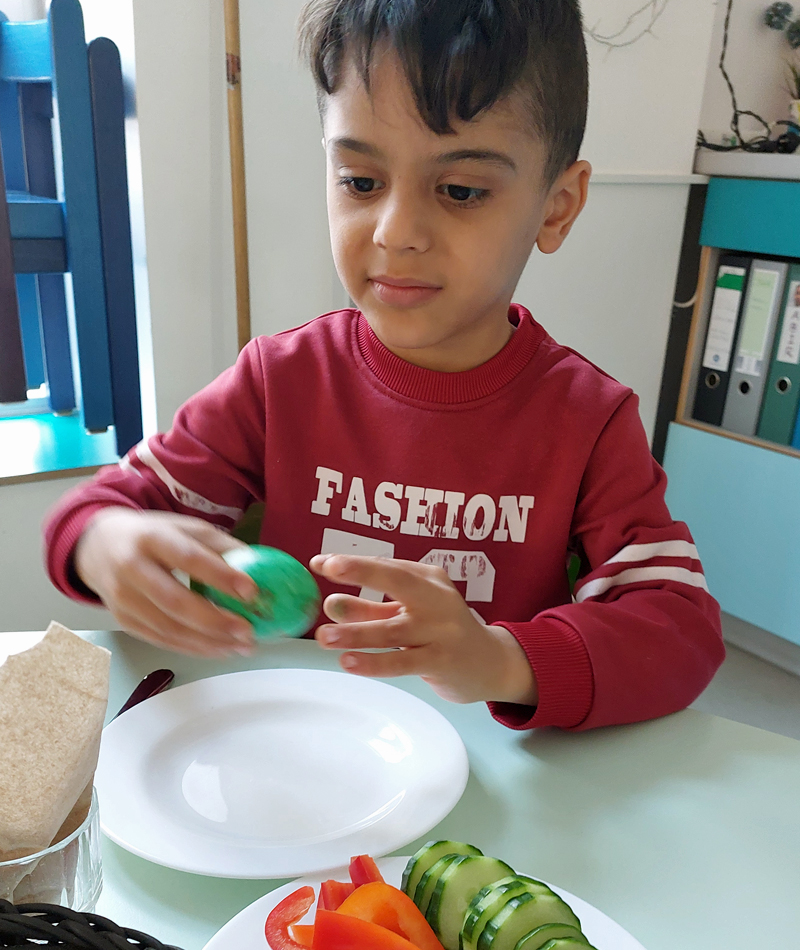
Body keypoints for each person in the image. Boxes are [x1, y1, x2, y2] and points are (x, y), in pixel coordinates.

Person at [43, 0, 724, 731]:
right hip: (291, 748)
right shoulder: (278, 380)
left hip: (478, 779)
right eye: (361, 182)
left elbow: (680, 629)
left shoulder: (589, 420)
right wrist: (104, 544)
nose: (396, 233)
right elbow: (106, 511)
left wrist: (500, 659)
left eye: (460, 191)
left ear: (556, 208)